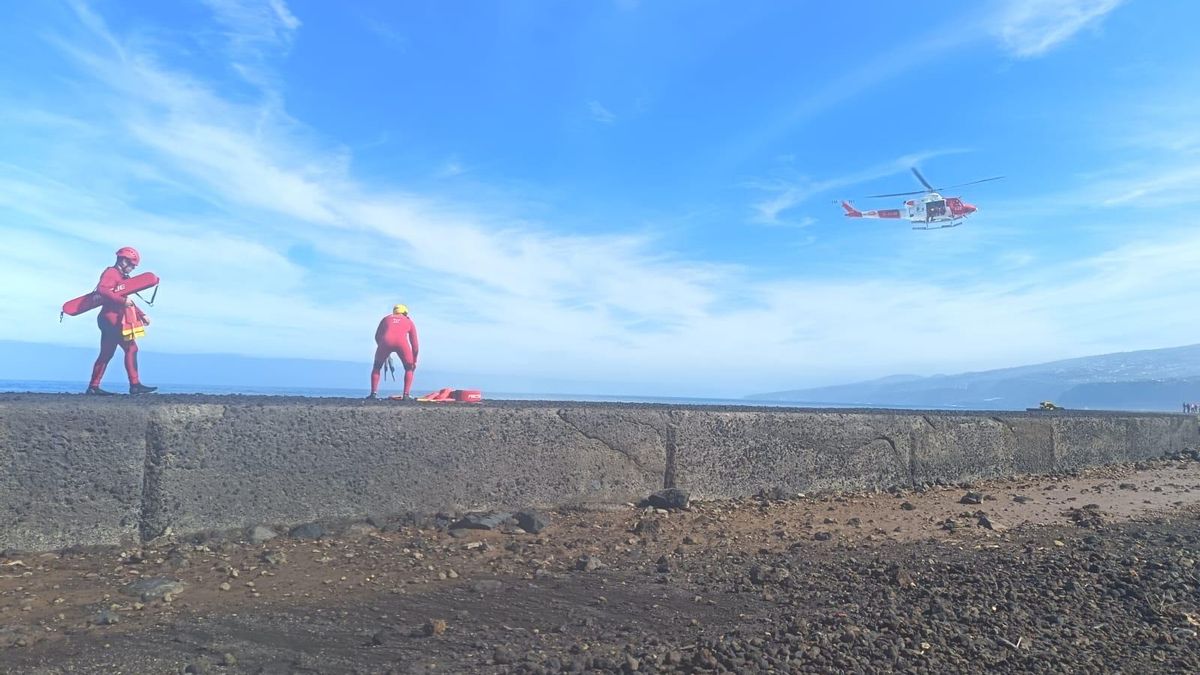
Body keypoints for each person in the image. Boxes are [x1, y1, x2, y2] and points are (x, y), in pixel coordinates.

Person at [86, 247, 157, 395]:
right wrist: (121, 300)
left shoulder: (121, 276)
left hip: (109, 319)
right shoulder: (111, 273)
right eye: (132, 265)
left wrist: (141, 315)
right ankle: (135, 385)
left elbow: (127, 300)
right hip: (112, 319)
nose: (133, 268)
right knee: (131, 348)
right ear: (123, 261)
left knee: (106, 353)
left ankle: (93, 387)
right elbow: (102, 289)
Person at [368, 304, 419, 399]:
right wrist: (414, 361)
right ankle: (406, 395)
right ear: (405, 313)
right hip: (402, 343)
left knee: (377, 367)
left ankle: (373, 394)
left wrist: (383, 349)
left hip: (385, 342)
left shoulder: (385, 319)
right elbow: (415, 345)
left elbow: (377, 336)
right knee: (409, 369)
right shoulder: (409, 322)